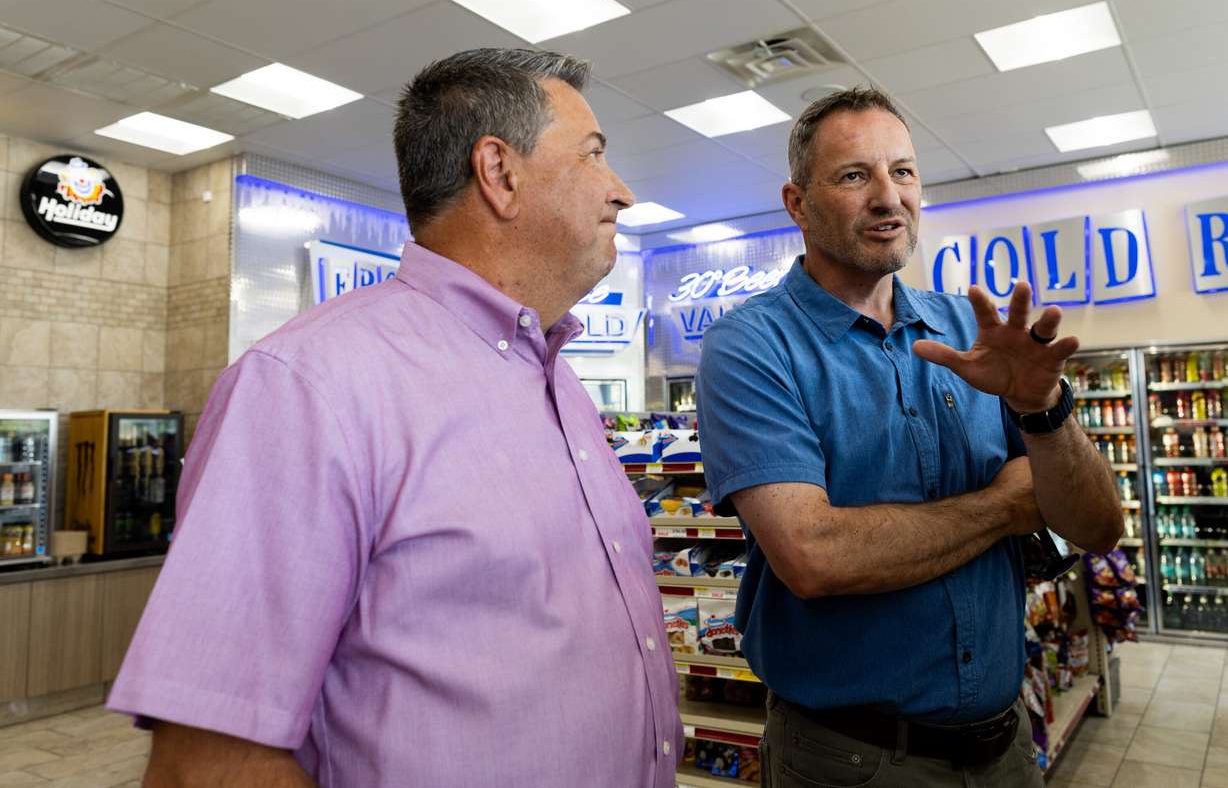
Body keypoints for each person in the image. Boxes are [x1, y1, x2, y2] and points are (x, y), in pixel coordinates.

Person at [108, 48, 682, 788]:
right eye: (594, 156)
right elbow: (210, 761)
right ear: (500, 173)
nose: (622, 191)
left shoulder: (559, 381)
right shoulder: (307, 388)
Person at [694, 88, 1122, 787]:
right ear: (798, 204)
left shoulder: (973, 330)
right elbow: (814, 556)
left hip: (1005, 748)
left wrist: (1044, 411)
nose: (889, 198)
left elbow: (1098, 527)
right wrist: (1008, 504)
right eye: (855, 175)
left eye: (904, 171)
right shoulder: (751, 346)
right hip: (847, 760)